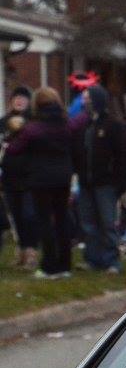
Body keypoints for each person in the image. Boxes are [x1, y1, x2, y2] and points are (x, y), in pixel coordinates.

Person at [4, 87, 75, 278]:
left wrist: (12, 139)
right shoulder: (67, 124)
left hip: (40, 179)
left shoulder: (33, 128)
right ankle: (65, 265)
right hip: (63, 177)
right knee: (62, 219)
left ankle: (49, 266)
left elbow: (14, 149)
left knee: (45, 221)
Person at [72, 84, 126, 273]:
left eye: (88, 98)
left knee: (107, 223)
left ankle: (112, 260)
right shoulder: (85, 126)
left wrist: (121, 183)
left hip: (106, 184)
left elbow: (122, 156)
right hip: (86, 183)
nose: (85, 102)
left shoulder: (113, 126)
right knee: (88, 223)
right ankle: (92, 259)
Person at [1, 86, 39, 269]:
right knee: (16, 216)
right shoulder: (4, 122)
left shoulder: (34, 122)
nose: (19, 101)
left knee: (29, 215)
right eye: (16, 98)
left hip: (30, 177)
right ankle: (21, 251)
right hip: (9, 177)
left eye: (23, 98)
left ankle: (31, 251)